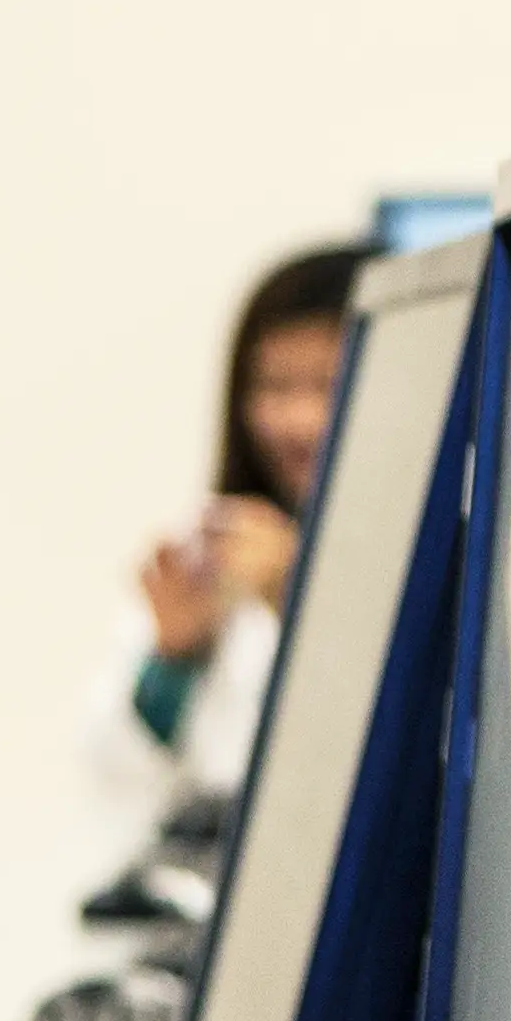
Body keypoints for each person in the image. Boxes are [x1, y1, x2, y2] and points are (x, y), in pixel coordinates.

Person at [99, 242, 359, 802]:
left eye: (328, 387)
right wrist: (173, 660)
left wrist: (300, 601)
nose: (299, 421)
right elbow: (115, 778)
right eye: (275, 387)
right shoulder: (209, 545)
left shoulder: (458, 540)